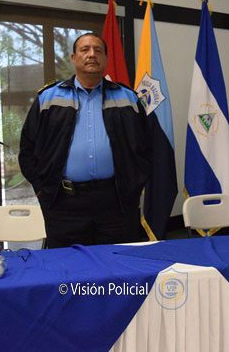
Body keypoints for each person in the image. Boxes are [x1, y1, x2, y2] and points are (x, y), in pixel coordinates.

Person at [19, 32, 150, 248]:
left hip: (116, 202)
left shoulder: (127, 98)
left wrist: (135, 185)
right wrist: (43, 189)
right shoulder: (48, 98)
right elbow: (27, 149)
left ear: (106, 59)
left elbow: (147, 146)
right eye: (85, 49)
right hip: (63, 204)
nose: (91, 54)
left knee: (116, 262)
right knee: (67, 265)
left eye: (98, 50)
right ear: (73, 58)